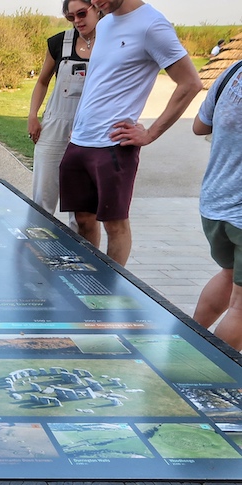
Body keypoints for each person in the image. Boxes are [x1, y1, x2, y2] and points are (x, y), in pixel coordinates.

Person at [58, 0, 202, 266]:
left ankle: (109, 294)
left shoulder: (152, 25)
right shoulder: (106, 23)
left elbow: (190, 83)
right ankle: (89, 283)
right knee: (83, 219)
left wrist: (151, 133)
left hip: (113, 144)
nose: (95, 2)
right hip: (80, 141)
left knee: (115, 225)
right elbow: (98, 79)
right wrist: (78, 125)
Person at [28, 0, 102, 232]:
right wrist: (32, 115)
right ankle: (36, 252)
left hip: (90, 131)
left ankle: (77, 258)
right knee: (43, 198)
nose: (77, 21)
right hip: (54, 126)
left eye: (81, 13)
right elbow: (42, 81)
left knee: (81, 209)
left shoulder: (111, 43)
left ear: (96, 7)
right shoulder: (59, 43)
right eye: (71, 17)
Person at [192, 61, 242, 350]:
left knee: (228, 274)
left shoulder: (233, 71)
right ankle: (207, 376)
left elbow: (200, 126)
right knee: (240, 306)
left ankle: (189, 342)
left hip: (214, 204)